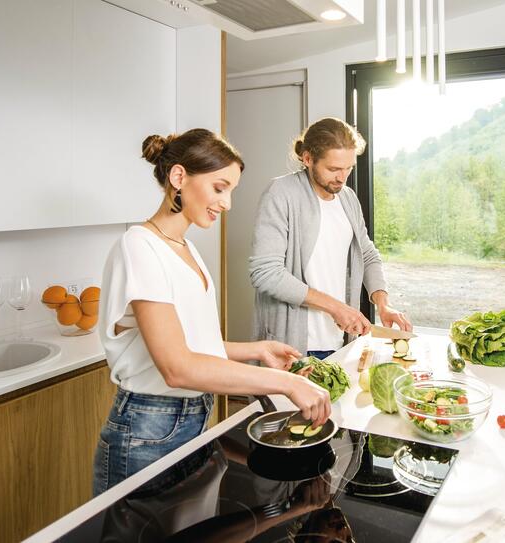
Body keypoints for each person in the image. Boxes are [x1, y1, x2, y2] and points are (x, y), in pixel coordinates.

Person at [93, 129, 332, 495]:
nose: (227, 203)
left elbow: (193, 345)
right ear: (178, 177)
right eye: (220, 187)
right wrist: (289, 382)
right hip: (146, 429)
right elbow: (178, 367)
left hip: (190, 417)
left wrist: (256, 349)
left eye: (231, 191)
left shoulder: (185, 248)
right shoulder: (139, 247)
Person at [250, 117, 412, 360]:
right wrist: (336, 308)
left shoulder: (347, 198)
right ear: (307, 159)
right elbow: (265, 273)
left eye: (349, 168)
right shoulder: (281, 193)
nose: (342, 177)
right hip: (294, 343)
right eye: (334, 169)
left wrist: (382, 303)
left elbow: (367, 254)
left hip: (340, 339)